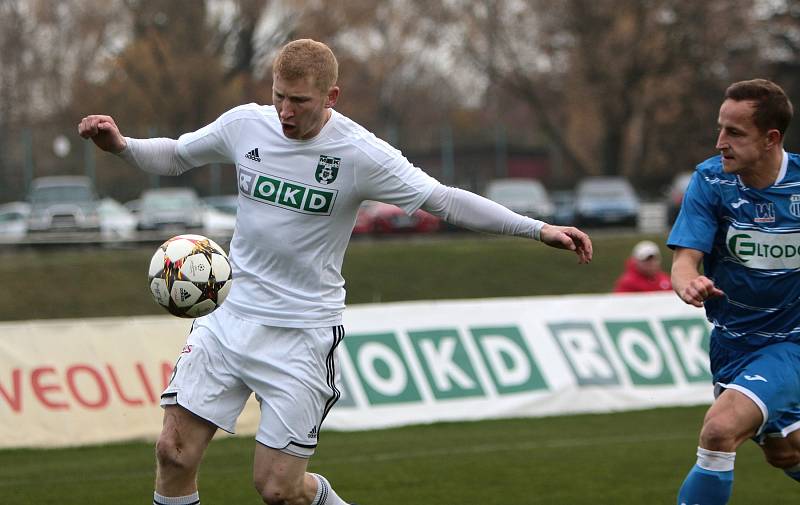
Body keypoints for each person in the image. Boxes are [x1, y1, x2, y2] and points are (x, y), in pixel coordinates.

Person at [78, 39, 593, 505]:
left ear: (332, 96)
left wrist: (536, 228)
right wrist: (122, 146)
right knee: (173, 451)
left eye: (299, 101)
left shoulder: (360, 154)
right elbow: (177, 154)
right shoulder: (244, 125)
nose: (284, 111)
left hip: (302, 334)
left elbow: (444, 200)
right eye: (279, 96)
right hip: (228, 317)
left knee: (279, 490)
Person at [668, 78, 800, 505]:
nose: (721, 142)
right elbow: (684, 260)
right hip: (733, 344)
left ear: (770, 139)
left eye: (735, 133)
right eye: (720, 129)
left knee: (719, 430)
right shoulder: (711, 181)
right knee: (787, 451)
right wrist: (689, 282)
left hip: (792, 342)